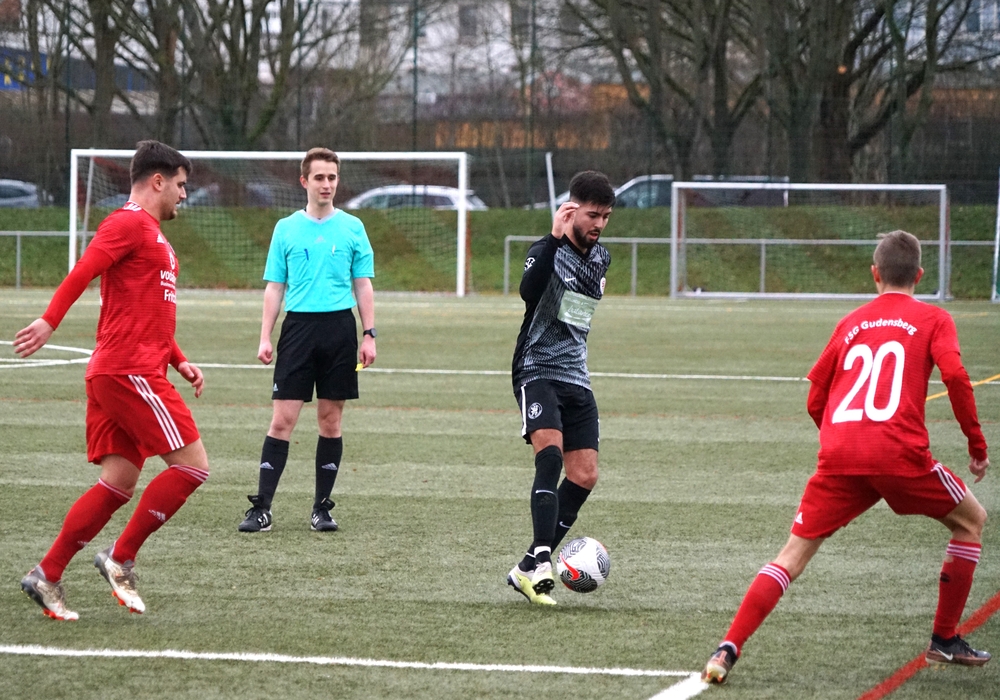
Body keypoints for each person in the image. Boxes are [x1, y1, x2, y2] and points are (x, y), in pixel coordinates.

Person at [702, 230, 991, 683]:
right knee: (971, 521)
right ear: (919, 275)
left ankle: (726, 649)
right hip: (899, 454)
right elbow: (954, 375)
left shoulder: (850, 323)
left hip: (840, 456)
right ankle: (944, 639)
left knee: (790, 557)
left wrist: (844, 442)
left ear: (875, 274)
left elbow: (815, 398)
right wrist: (977, 446)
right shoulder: (934, 318)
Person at [14, 140, 209, 620]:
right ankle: (121, 557)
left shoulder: (152, 235)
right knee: (192, 467)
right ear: (158, 181)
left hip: (122, 369)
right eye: (181, 184)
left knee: (118, 481)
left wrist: (179, 360)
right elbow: (83, 271)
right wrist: (49, 321)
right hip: (129, 370)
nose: (184, 194)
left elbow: (147, 311)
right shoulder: (127, 223)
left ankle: (47, 574)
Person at [238, 147, 375, 533]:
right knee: (282, 420)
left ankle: (321, 509)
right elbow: (274, 286)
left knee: (331, 420)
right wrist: (265, 336)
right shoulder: (285, 228)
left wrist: (369, 334)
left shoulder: (353, 227)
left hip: (339, 330)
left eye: (332, 177)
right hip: (297, 330)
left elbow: (363, 284)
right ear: (304, 181)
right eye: (319, 177)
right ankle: (262, 508)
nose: (326, 184)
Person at [506, 170, 615, 605]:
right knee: (549, 456)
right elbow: (528, 292)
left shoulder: (601, 258)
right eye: (592, 215)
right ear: (570, 210)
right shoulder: (543, 250)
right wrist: (554, 239)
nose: (599, 224)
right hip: (536, 368)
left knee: (585, 475)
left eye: (606, 217)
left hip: (576, 376)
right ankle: (541, 557)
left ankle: (526, 568)